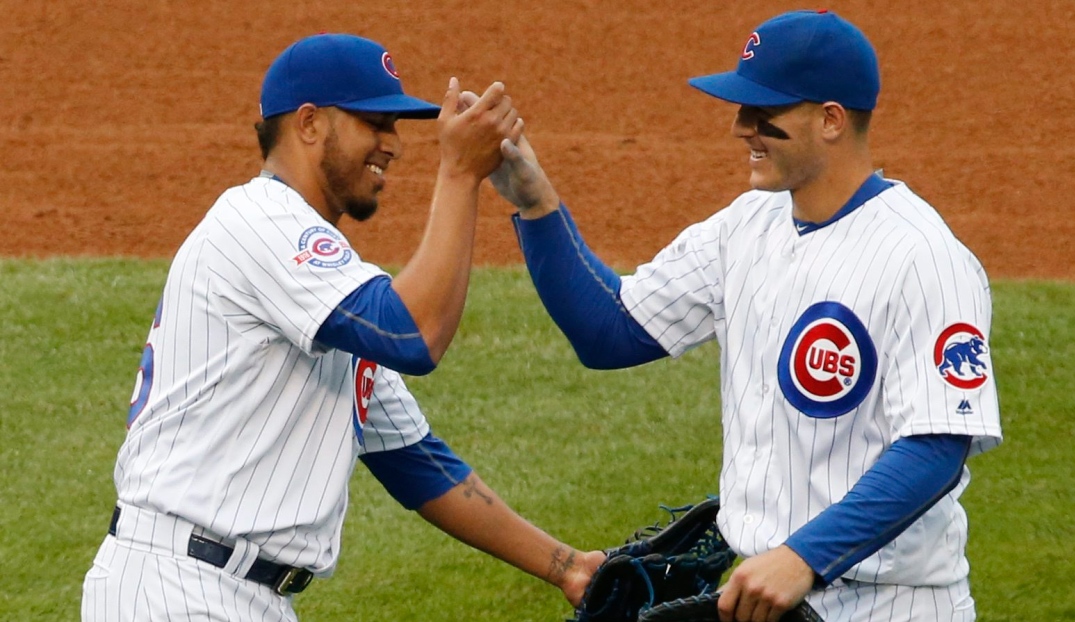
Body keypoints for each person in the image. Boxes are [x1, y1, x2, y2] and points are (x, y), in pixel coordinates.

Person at [488, 10, 1001, 622]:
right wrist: (535, 202)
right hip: (763, 602)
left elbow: (936, 444)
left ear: (831, 119)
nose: (741, 128)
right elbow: (610, 331)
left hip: (891, 606)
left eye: (764, 114)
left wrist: (804, 556)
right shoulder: (745, 226)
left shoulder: (923, 258)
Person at [81, 33, 602, 622]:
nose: (394, 146)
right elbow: (413, 334)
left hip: (230, 593)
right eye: (375, 123)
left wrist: (568, 567)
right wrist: (458, 175)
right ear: (308, 124)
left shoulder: (324, 291)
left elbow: (417, 462)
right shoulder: (262, 223)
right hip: (178, 589)